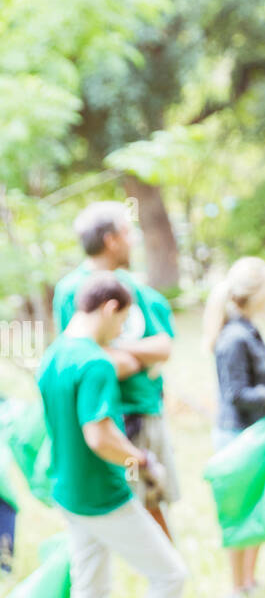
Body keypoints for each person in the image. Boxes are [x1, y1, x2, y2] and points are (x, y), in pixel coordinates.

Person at [37, 273, 187, 598]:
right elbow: (99, 436)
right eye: (122, 323)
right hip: (102, 496)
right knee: (170, 575)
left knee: (90, 588)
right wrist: (139, 459)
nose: (121, 334)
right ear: (109, 309)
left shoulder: (53, 355)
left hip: (69, 491)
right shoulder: (96, 363)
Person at [53, 202, 181, 541]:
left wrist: (120, 352)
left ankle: (169, 575)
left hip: (146, 408)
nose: (134, 240)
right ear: (111, 240)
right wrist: (139, 359)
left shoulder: (129, 285)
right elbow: (85, 364)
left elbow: (163, 347)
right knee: (116, 508)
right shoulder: (72, 290)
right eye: (128, 232)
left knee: (154, 497)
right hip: (110, 418)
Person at [203, 256, 265, 598]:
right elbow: (236, 393)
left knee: (255, 505)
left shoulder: (248, 329)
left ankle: (249, 581)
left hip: (256, 433)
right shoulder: (234, 337)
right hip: (237, 435)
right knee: (237, 509)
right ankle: (236, 584)